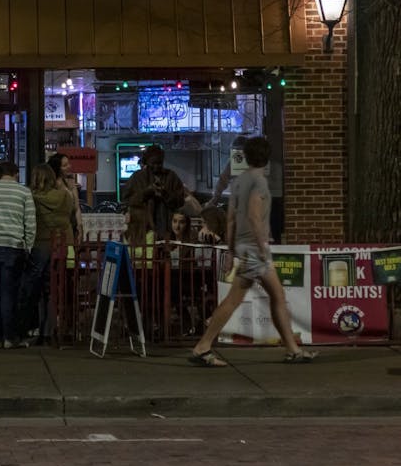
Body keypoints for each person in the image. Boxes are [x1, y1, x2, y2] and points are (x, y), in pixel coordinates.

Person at [189, 136, 317, 367]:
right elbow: (254, 216)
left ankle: (292, 349)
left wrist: (230, 251)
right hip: (255, 250)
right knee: (256, 298)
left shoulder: (238, 183)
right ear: (266, 159)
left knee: (263, 297)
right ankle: (203, 346)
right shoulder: (259, 183)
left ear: (246, 157)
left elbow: (230, 219)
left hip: (244, 248)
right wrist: (262, 246)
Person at [0, 161, 35, 348]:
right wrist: (28, 245)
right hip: (14, 246)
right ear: (15, 173)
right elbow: (30, 223)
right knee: (10, 293)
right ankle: (10, 338)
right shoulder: (24, 192)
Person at [17, 163, 74, 344]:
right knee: (55, 290)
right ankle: (53, 329)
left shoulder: (31, 197)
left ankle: (32, 329)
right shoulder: (65, 196)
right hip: (62, 245)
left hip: (41, 244)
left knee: (33, 290)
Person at [124, 145, 185, 241]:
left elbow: (180, 201)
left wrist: (165, 194)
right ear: (146, 162)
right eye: (153, 163)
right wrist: (147, 192)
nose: (156, 166)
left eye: (159, 163)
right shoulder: (137, 178)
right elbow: (127, 200)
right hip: (142, 229)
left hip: (167, 228)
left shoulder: (171, 177)